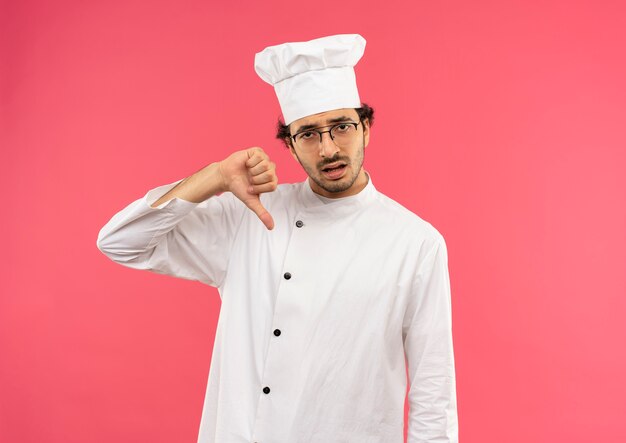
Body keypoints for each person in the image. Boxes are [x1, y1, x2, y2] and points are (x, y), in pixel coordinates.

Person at [97, 33, 459, 443]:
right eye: (308, 134)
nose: (328, 150)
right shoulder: (250, 217)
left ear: (366, 128)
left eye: (341, 127)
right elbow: (120, 241)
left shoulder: (416, 244)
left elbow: (434, 394)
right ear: (289, 145)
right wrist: (214, 176)